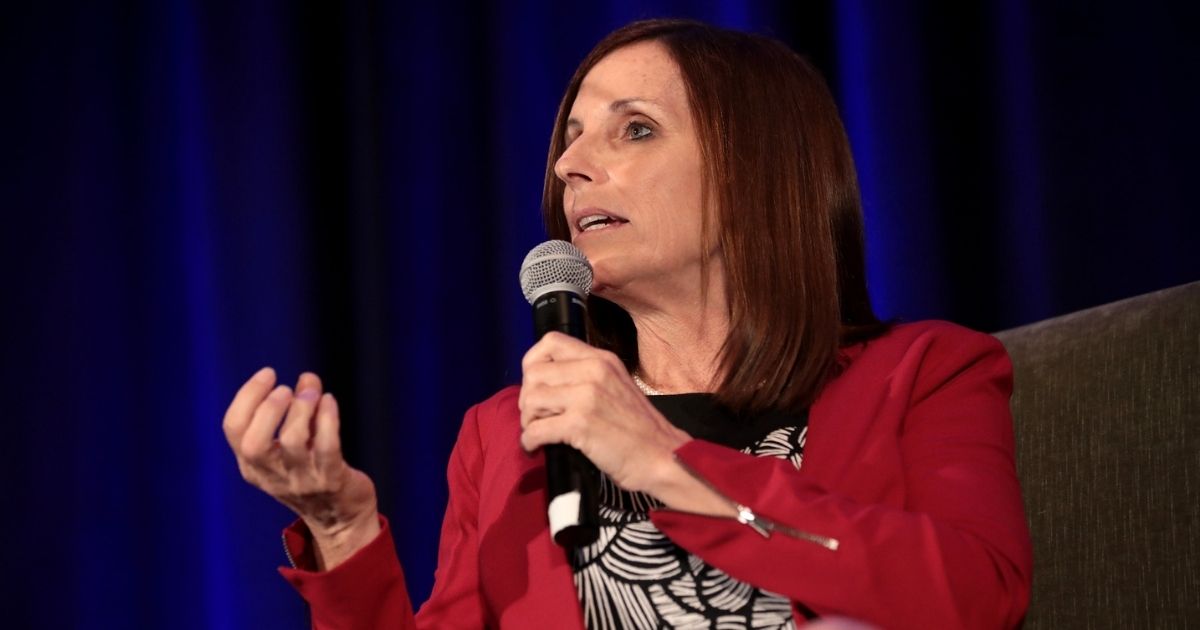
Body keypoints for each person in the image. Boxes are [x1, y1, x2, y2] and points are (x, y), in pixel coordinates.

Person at [222, 18, 1032, 630]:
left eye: (634, 129)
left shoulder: (926, 372)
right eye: (571, 139)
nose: (571, 165)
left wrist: (663, 460)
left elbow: (974, 594)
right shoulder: (505, 434)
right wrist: (343, 526)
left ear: (754, 172)